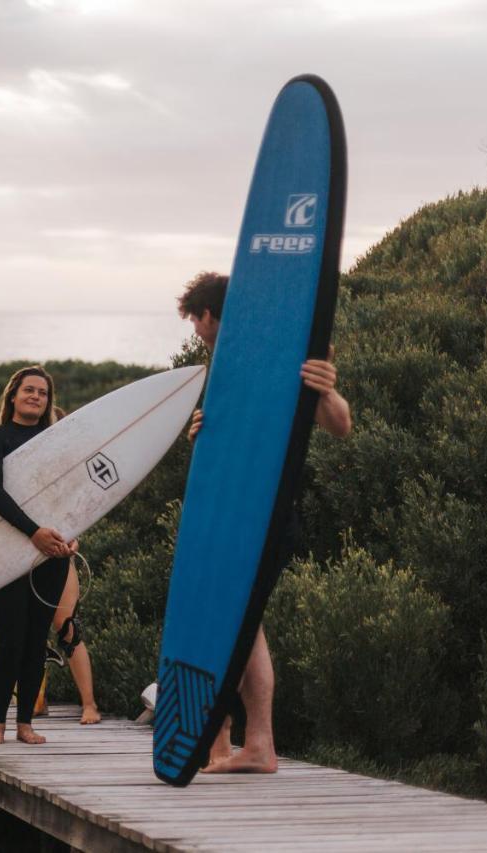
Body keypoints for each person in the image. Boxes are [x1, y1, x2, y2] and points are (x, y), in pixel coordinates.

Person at [177, 270, 352, 773]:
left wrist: (327, 390)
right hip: (232, 511)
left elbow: (338, 423)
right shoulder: (230, 365)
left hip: (265, 513)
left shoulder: (283, 351)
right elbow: (243, 433)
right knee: (243, 624)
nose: (196, 331)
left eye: (195, 320)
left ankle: (237, 741)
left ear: (210, 314)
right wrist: (203, 433)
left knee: (235, 621)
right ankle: (247, 745)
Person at [0, 366, 74, 745]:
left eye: (43, 393)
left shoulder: (56, 441)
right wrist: (33, 532)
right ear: (13, 395)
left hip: (52, 554)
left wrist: (72, 536)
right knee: (11, 641)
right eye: (29, 390)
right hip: (6, 552)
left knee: (36, 642)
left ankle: (25, 724)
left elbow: (73, 495)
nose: (36, 396)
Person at [33, 406, 100, 725]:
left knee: (67, 628)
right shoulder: (21, 466)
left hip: (58, 554)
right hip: (24, 557)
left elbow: (81, 512)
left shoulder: (70, 470)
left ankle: (90, 705)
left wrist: (75, 540)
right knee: (26, 632)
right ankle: (35, 699)